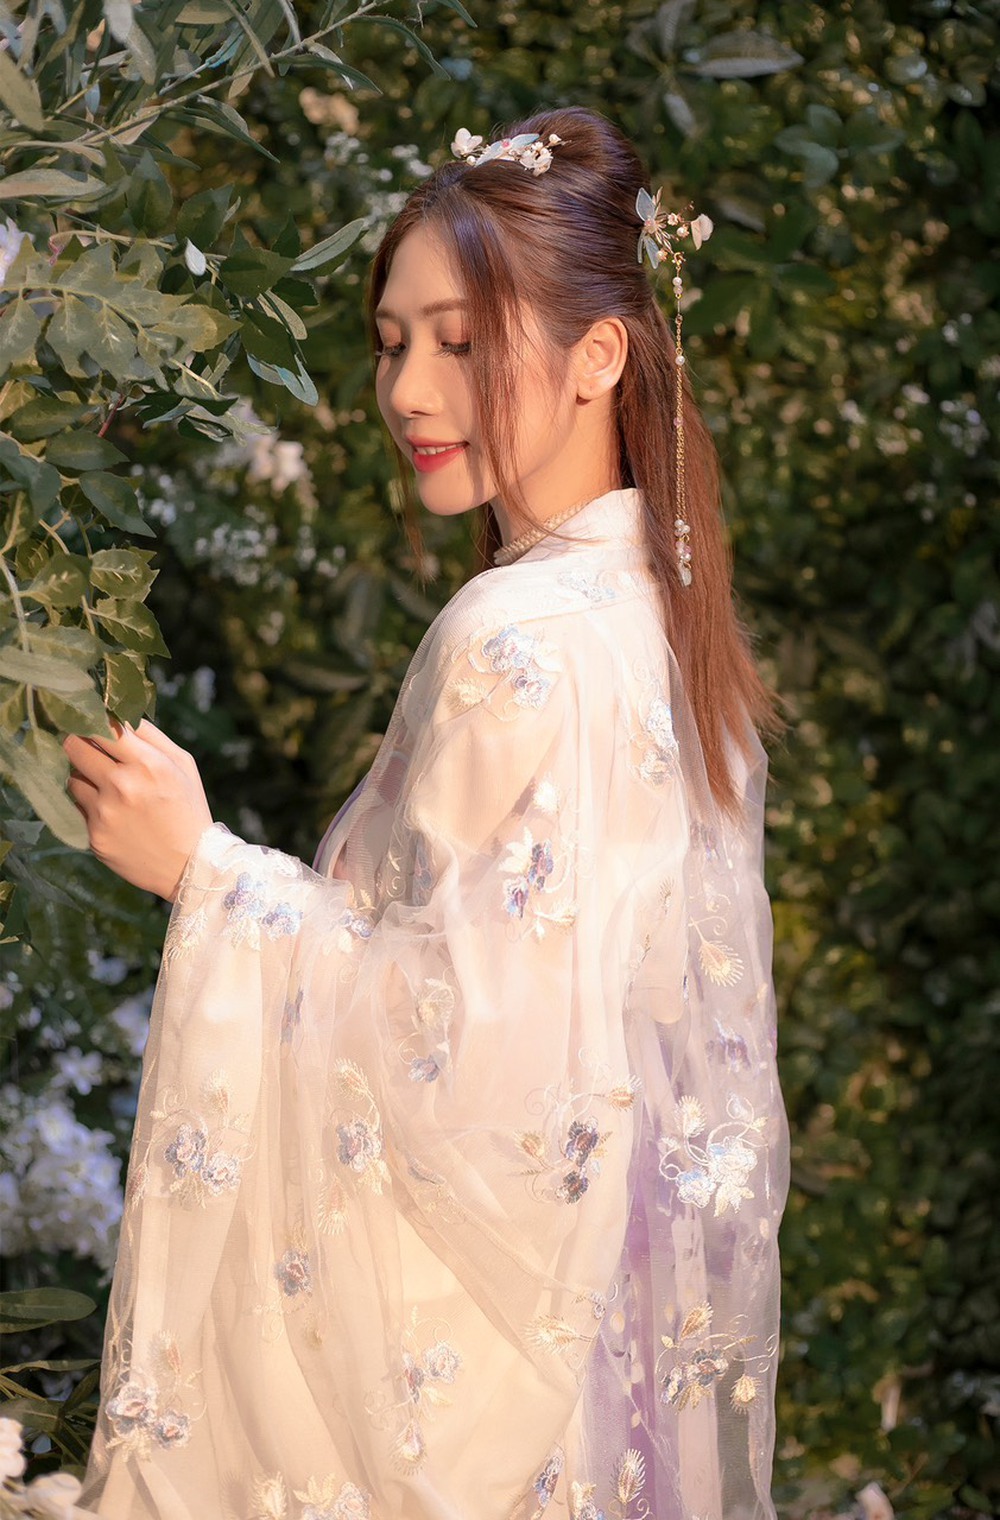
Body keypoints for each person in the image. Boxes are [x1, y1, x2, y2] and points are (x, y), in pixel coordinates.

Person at [65, 107, 789, 1520]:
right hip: (584, 1361)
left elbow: (472, 1075)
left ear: (599, 356)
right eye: (393, 341)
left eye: (461, 342)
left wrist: (207, 871)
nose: (407, 389)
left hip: (473, 1364)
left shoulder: (514, 637)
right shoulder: (664, 627)